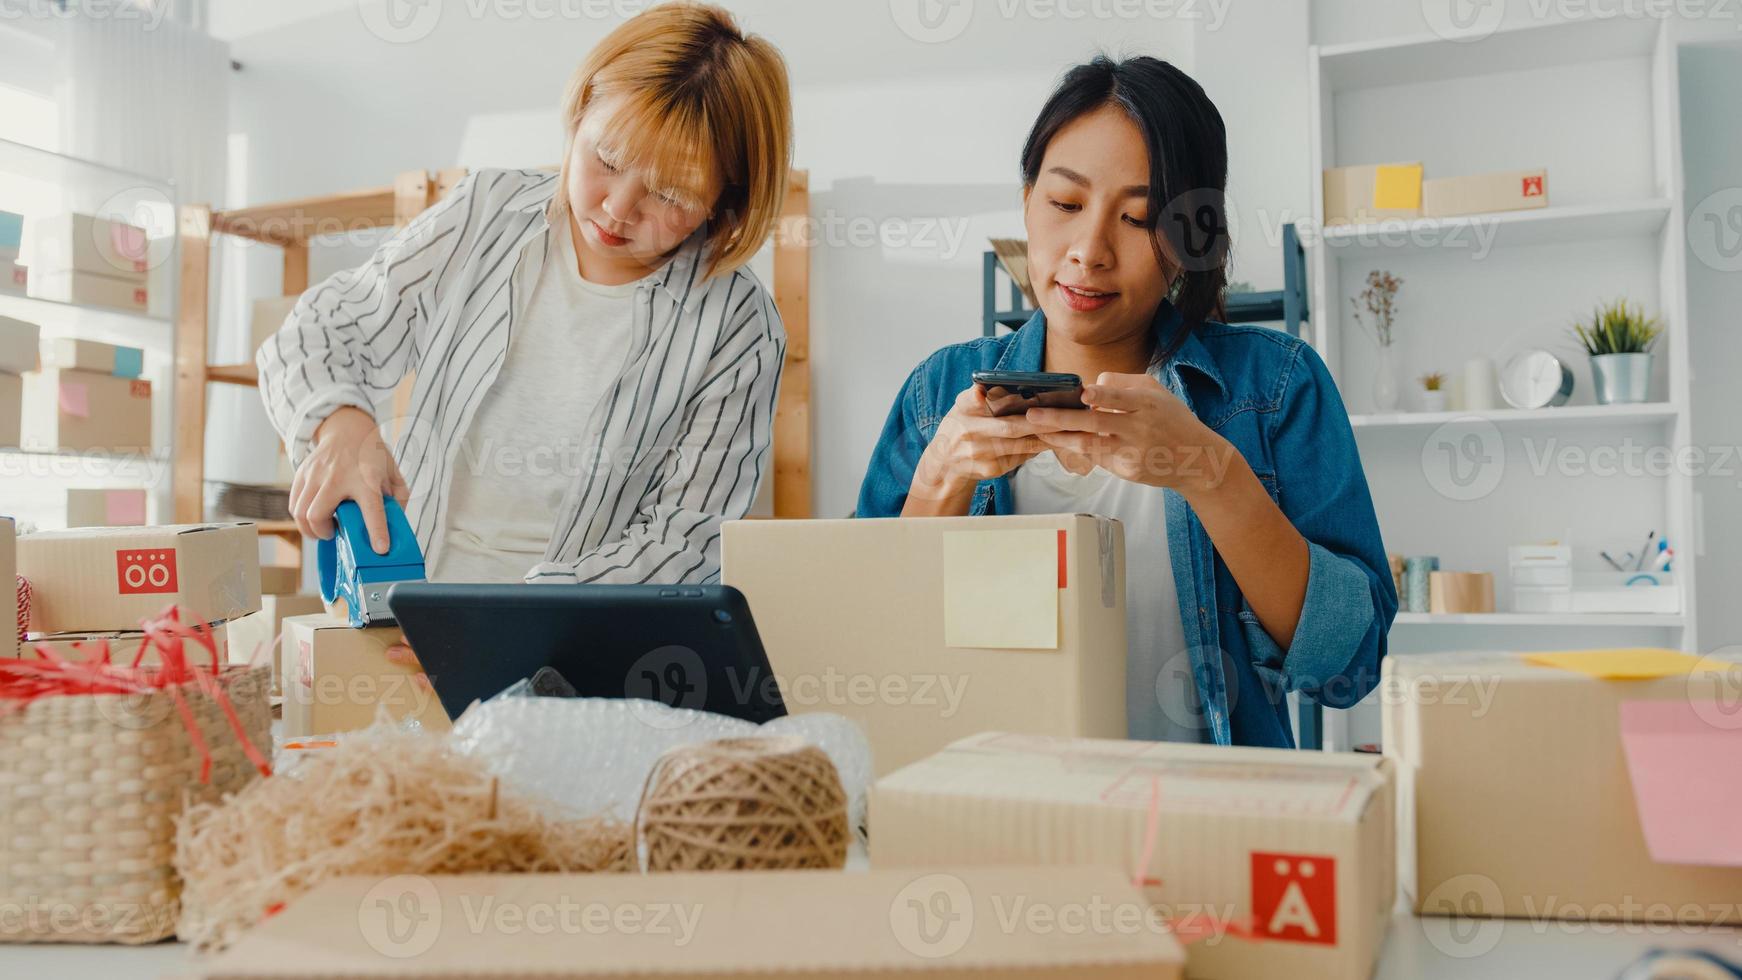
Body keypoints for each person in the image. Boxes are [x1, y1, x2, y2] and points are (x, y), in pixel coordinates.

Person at [855, 55, 1396, 748]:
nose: (1089, 250)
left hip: (1209, 829)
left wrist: (1211, 472)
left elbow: (1348, 670)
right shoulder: (939, 391)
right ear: (1027, 202)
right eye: (1065, 204)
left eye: (1138, 218)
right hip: (995, 816)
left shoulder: (1277, 387)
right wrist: (938, 482)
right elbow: (869, 661)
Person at [259, 1, 792, 590]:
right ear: (580, 109)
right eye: (606, 157)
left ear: (728, 199)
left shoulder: (738, 326)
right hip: (407, 611)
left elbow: (685, 543)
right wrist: (342, 428)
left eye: (670, 193)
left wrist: (512, 625)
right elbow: (322, 330)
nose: (617, 209)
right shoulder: (486, 211)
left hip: (576, 653)